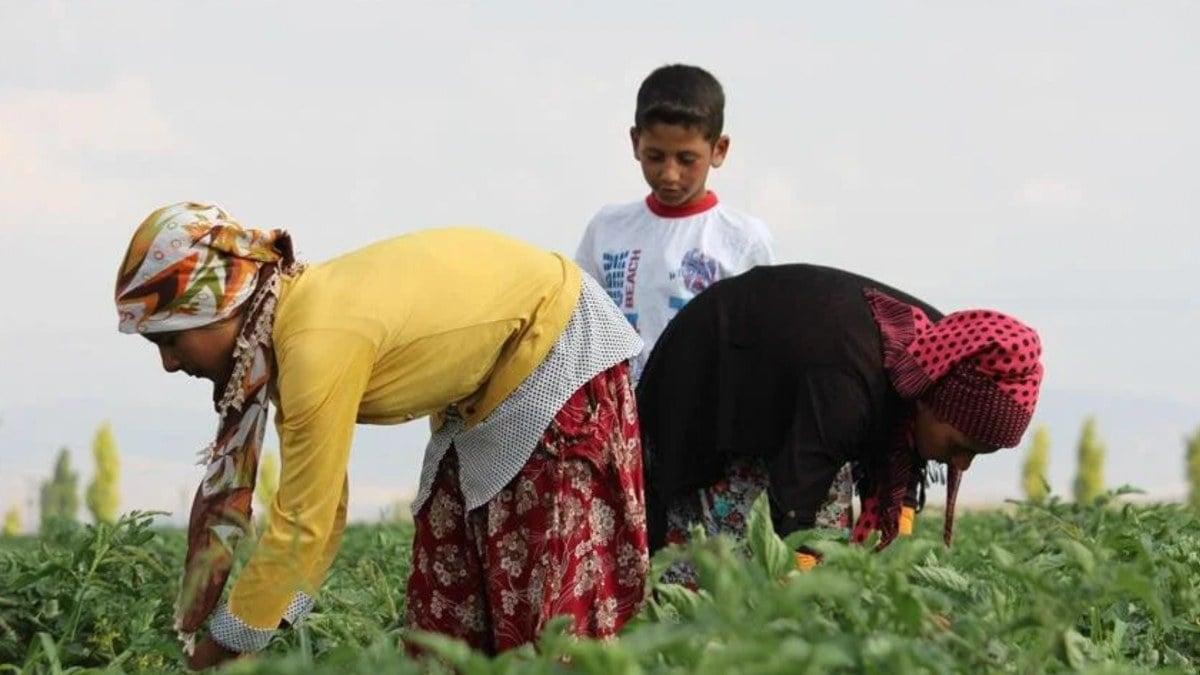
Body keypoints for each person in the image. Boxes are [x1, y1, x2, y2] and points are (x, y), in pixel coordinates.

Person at [113, 203, 649, 668]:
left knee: (545, 610)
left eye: (171, 339)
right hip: (485, 386)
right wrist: (257, 629)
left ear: (218, 308)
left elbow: (305, 517)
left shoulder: (313, 343)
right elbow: (321, 510)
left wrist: (219, 651)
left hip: (554, 351)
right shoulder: (290, 329)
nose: (167, 363)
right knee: (449, 598)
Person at [635, 264, 1044, 574]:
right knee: (722, 570)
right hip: (711, 382)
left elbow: (899, 471)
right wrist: (799, 586)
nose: (960, 464)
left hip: (793, 396)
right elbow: (795, 503)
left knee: (828, 551)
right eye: (960, 447)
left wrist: (893, 571)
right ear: (934, 403)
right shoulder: (850, 385)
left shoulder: (938, 356)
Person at [574, 63, 775, 385]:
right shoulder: (607, 229)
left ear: (718, 150)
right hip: (620, 419)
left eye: (686, 159)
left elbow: (759, 343)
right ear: (635, 142)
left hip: (702, 417)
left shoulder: (742, 239)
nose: (669, 174)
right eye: (655, 156)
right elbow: (582, 331)